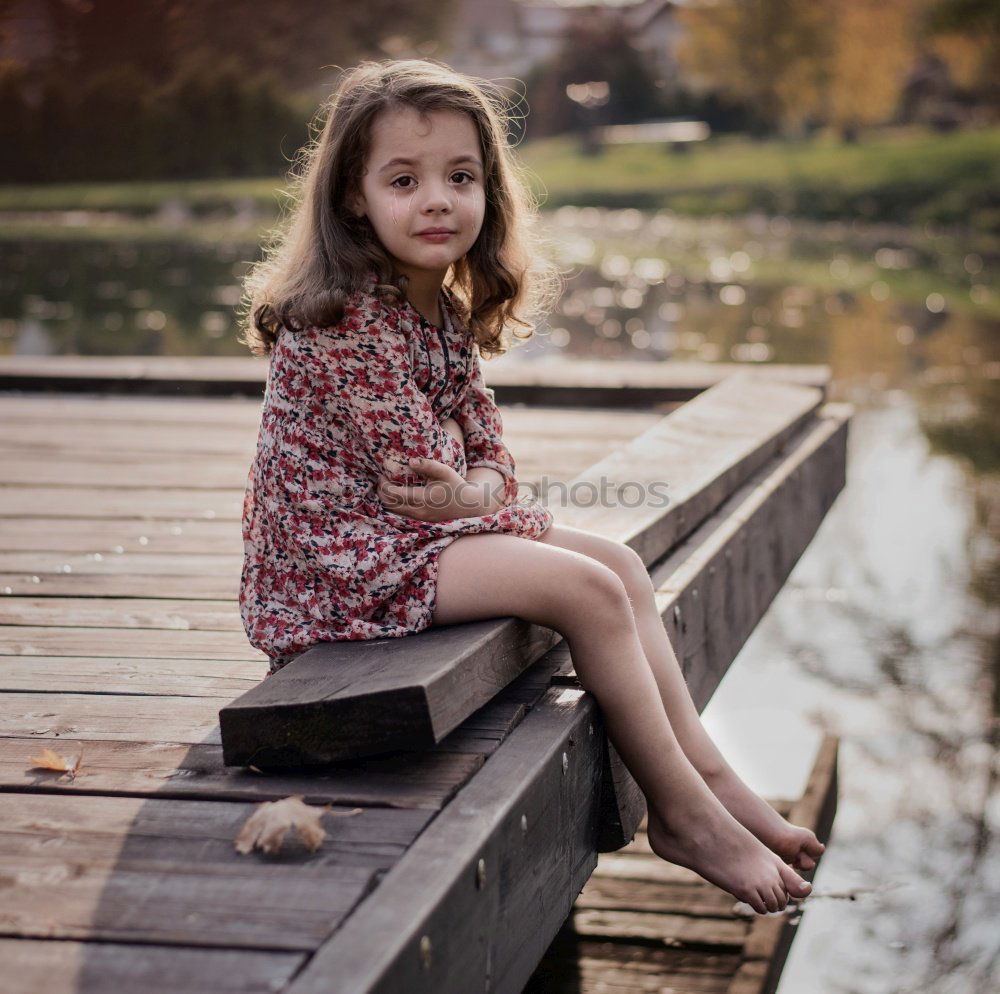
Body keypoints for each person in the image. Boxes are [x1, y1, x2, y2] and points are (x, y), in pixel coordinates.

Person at [237, 58, 823, 915]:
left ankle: (709, 776)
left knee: (618, 562)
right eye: (404, 179)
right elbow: (425, 491)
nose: (437, 199)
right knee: (583, 588)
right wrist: (478, 497)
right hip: (333, 573)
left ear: (490, 190)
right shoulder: (351, 320)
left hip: (403, 542)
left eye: (460, 176)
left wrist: (477, 495)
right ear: (353, 198)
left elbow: (488, 463)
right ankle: (682, 815)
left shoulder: (436, 303)